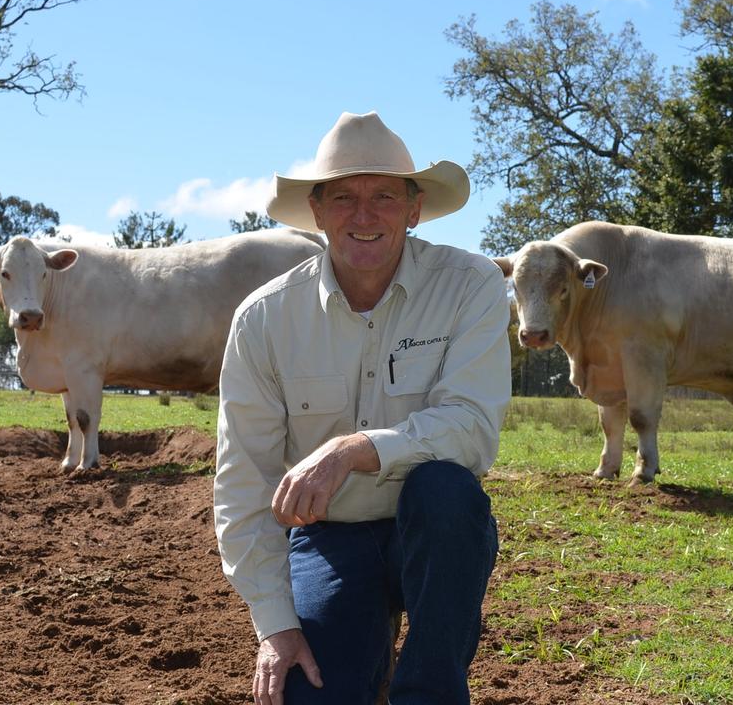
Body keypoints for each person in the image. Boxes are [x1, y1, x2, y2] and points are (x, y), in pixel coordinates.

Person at [213, 111, 511, 705]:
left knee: (448, 493)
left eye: (384, 196)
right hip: (331, 540)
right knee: (314, 693)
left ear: (414, 208)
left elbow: (473, 428)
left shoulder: (471, 285)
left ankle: (428, 690)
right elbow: (244, 481)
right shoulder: (265, 319)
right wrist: (276, 626)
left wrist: (355, 449)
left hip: (428, 528)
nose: (365, 215)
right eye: (344, 197)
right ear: (318, 212)